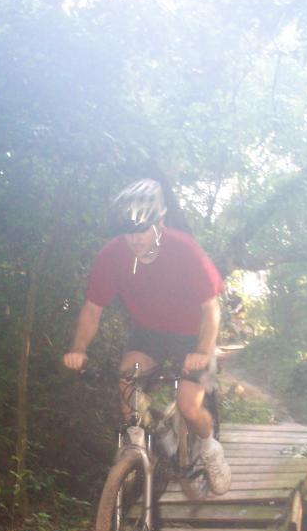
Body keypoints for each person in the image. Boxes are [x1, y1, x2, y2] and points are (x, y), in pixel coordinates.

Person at [63, 179, 231, 495]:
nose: (135, 239)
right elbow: (92, 309)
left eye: (143, 230)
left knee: (190, 408)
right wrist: (79, 348)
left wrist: (203, 350)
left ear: (160, 223)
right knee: (128, 380)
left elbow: (211, 309)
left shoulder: (184, 250)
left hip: (192, 333)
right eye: (129, 231)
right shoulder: (112, 256)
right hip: (148, 332)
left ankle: (210, 449)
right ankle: (137, 446)